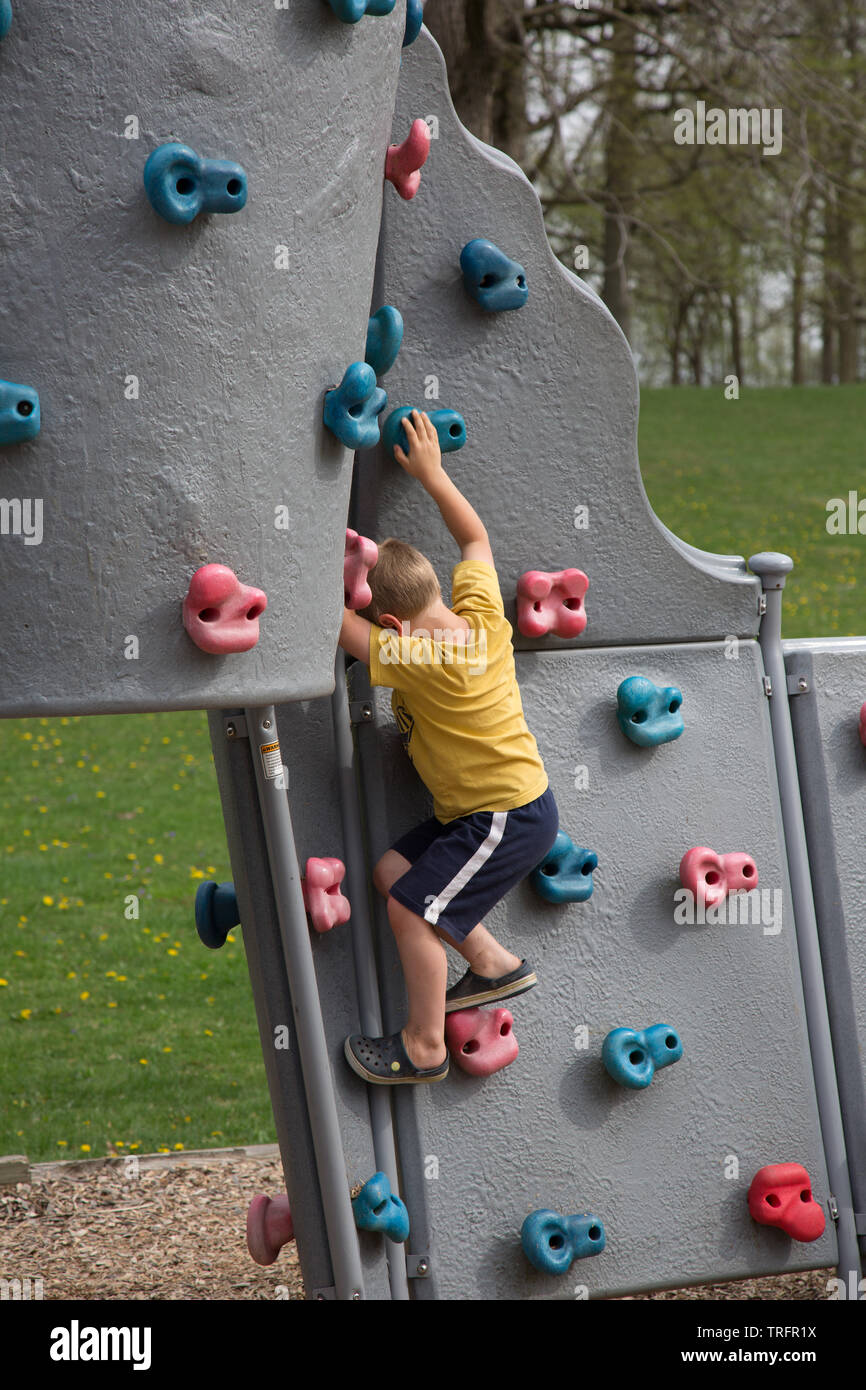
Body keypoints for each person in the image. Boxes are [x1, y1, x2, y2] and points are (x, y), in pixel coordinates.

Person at [338, 410, 559, 1083]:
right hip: (478, 810)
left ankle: (424, 1046)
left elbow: (344, 631)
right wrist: (435, 476)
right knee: (392, 877)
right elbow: (475, 538)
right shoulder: (480, 616)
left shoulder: (420, 659)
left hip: (504, 816)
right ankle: (493, 964)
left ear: (397, 625)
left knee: (410, 908)